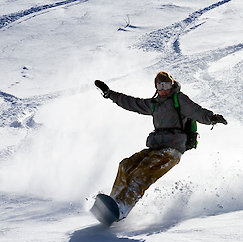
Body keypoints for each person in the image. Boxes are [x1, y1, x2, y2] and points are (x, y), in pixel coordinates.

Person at [94, 71, 227, 222]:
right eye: (160, 86)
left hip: (172, 150)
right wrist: (109, 94)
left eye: (166, 85)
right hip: (156, 148)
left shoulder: (179, 99)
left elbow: (196, 111)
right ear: (156, 87)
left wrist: (211, 118)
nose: (163, 89)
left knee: (143, 171)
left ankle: (123, 207)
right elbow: (131, 103)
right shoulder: (154, 104)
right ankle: (114, 201)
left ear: (172, 85)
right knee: (126, 165)